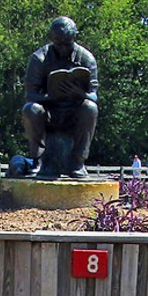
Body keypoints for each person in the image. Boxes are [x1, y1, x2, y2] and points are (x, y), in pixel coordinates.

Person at [22, 16, 98, 178]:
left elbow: (94, 96)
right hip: (49, 113)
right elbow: (30, 95)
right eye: (58, 44)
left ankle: (77, 162)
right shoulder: (39, 58)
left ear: (75, 37)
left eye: (67, 44)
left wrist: (79, 93)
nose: (63, 49)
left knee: (90, 108)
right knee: (31, 109)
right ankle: (39, 161)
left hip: (74, 114)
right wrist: (51, 96)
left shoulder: (86, 59)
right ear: (51, 38)